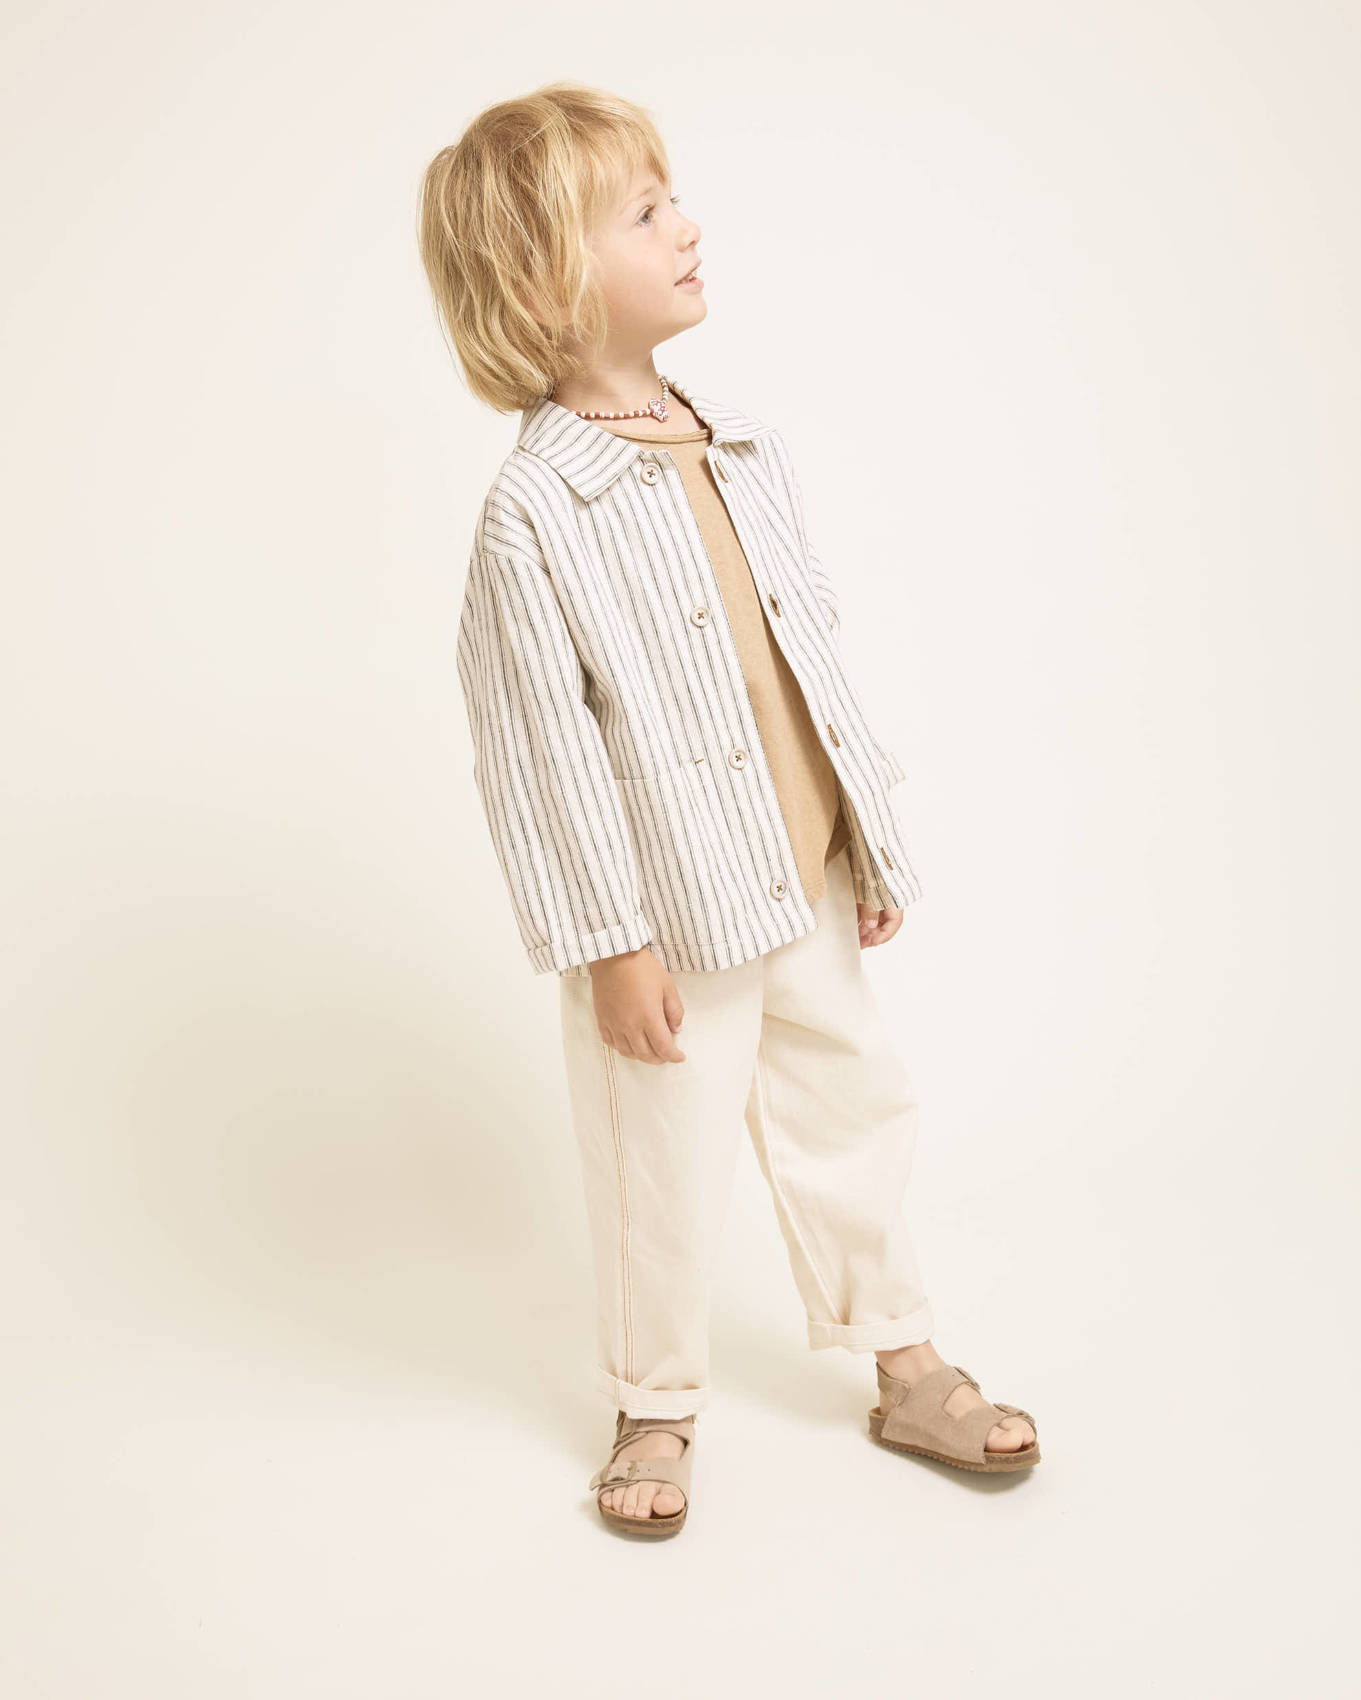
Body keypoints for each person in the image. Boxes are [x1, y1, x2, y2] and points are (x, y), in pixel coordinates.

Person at [417, 81, 1039, 1537]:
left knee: (855, 1109)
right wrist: (609, 943)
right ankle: (655, 1405)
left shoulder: (741, 444)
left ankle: (904, 1361)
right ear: (544, 281)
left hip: (798, 872)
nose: (687, 227)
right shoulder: (536, 512)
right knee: (662, 1160)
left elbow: (804, 655)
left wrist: (865, 838)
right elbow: (536, 753)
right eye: (645, 214)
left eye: (673, 198)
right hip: (668, 909)